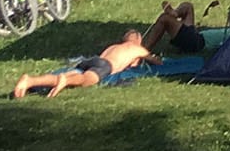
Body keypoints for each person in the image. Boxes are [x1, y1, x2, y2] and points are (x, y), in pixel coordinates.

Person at [12, 28, 155, 98]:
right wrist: (141, 58)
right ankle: (66, 81)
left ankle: (30, 81)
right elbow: (155, 61)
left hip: (93, 61)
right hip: (106, 66)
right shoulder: (137, 48)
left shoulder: (114, 46)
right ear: (138, 41)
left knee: (70, 75)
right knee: (85, 80)